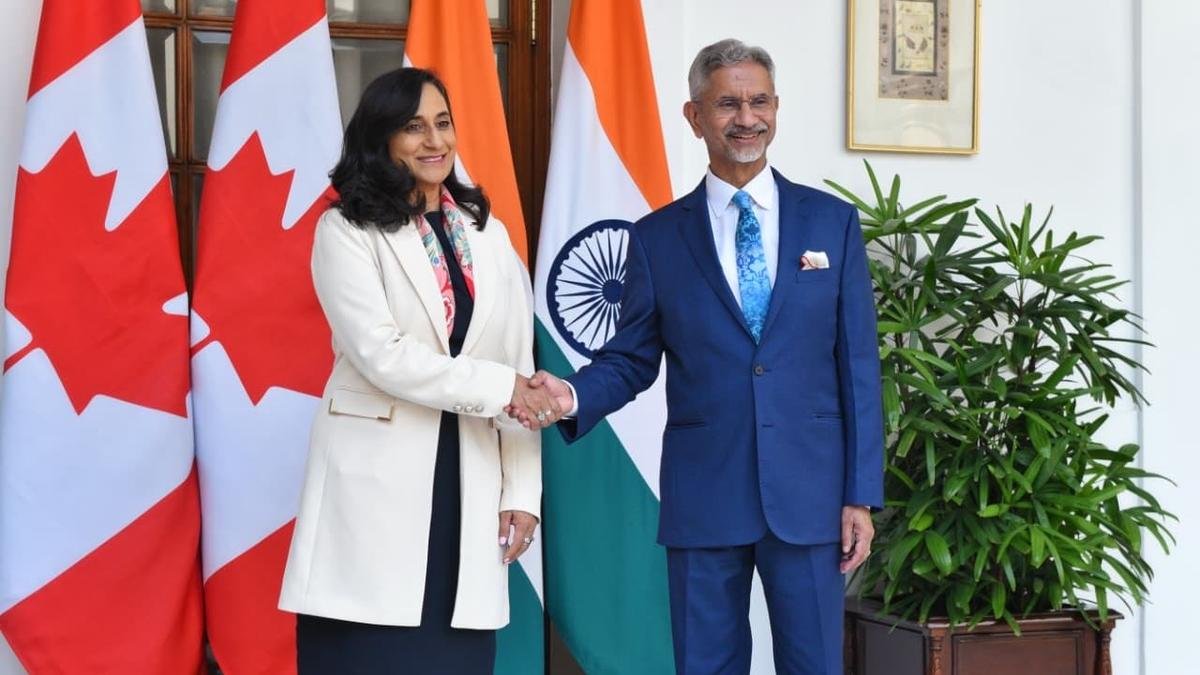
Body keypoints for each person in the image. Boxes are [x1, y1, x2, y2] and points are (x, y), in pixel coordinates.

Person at [516, 39, 884, 674]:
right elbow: (631, 359)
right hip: (706, 493)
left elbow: (858, 369)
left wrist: (860, 495)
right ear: (694, 116)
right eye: (727, 104)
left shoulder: (832, 223)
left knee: (815, 664)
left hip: (812, 494)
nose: (747, 118)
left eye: (759, 102)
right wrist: (572, 394)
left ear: (776, 108)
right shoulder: (656, 238)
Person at [278, 67, 558, 674]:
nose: (435, 141)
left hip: (470, 483)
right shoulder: (344, 229)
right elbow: (382, 354)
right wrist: (504, 387)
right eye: (413, 127)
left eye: (443, 123)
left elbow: (517, 362)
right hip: (373, 495)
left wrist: (522, 493)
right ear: (381, 139)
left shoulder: (488, 233)